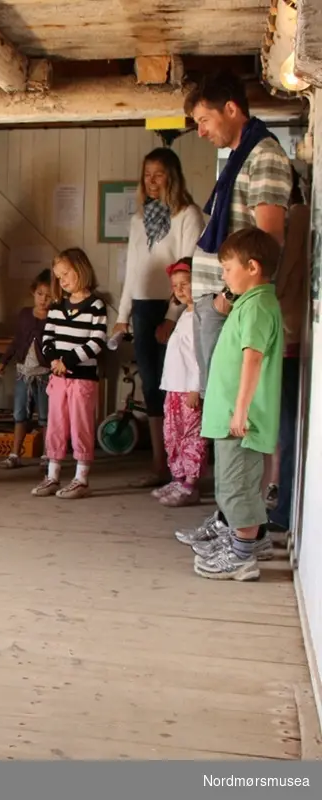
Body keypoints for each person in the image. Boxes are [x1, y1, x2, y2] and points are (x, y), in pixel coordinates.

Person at [173, 70, 293, 546]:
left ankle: (242, 530)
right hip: (217, 301)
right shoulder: (238, 157)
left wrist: (230, 298)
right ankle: (229, 519)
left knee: (231, 423)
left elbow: (268, 242)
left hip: (230, 305)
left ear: (230, 109)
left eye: (203, 120)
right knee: (220, 418)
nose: (199, 131)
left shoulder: (262, 156)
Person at [180, 228, 284, 581]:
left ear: (252, 267)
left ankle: (240, 557)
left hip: (240, 419)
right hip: (230, 416)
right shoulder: (250, 304)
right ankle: (251, 544)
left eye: (227, 269)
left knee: (236, 486)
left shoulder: (257, 307)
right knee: (230, 483)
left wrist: (240, 410)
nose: (224, 276)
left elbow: (253, 360)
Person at [114, 148, 205, 488]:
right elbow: (133, 271)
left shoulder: (187, 214)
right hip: (142, 306)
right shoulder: (138, 219)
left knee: (178, 389)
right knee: (151, 385)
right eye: (147, 174)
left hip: (174, 307)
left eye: (159, 174)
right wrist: (123, 315)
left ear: (172, 176)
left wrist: (171, 315)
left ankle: (185, 467)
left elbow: (187, 268)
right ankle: (159, 465)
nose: (151, 181)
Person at [31, 249, 108, 500]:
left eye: (66, 274)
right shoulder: (56, 306)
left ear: (81, 269)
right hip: (58, 379)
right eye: (58, 276)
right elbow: (46, 339)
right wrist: (54, 359)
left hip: (83, 379)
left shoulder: (96, 306)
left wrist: (69, 360)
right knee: (56, 425)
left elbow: (96, 342)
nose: (62, 280)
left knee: (80, 426)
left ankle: (81, 478)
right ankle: (52, 475)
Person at [265, 168, 310, 531]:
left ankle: (281, 511)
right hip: (292, 334)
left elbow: (282, 279)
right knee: (286, 428)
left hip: (288, 336)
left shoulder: (297, 219)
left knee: (285, 428)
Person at [153, 259, 205, 508]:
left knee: (190, 436)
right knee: (172, 434)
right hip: (174, 386)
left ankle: (190, 484)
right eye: (176, 285)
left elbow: (201, 355)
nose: (180, 289)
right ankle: (178, 477)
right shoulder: (185, 313)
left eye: (186, 283)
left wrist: (196, 387)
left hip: (189, 388)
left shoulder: (202, 315)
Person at [0, 269, 53, 470]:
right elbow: (16, 341)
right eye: (40, 294)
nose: (43, 300)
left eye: (49, 296)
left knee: (46, 417)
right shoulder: (24, 314)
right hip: (23, 373)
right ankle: (14, 454)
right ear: (33, 292)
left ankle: (47, 455)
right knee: (20, 414)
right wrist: (4, 360)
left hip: (46, 375)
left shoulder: (55, 318)